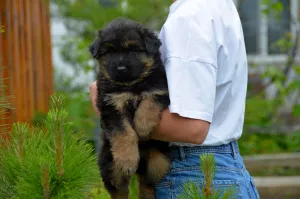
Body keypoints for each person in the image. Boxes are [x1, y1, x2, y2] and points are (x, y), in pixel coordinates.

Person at [89, 0, 261, 198]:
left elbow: (193, 128)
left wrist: (106, 110)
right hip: (224, 165)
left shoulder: (190, 17)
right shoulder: (218, 5)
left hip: (192, 173)